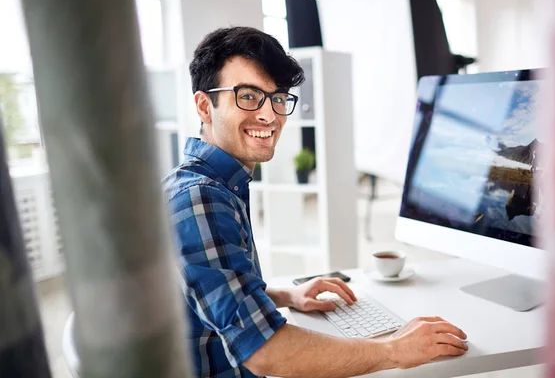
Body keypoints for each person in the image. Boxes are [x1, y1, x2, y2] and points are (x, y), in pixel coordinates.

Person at [163, 26, 468, 378]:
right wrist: (394, 350)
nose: (269, 116)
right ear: (205, 105)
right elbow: (265, 351)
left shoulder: (209, 183)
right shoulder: (200, 198)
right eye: (248, 96)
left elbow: (205, 290)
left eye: (277, 97)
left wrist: (284, 296)